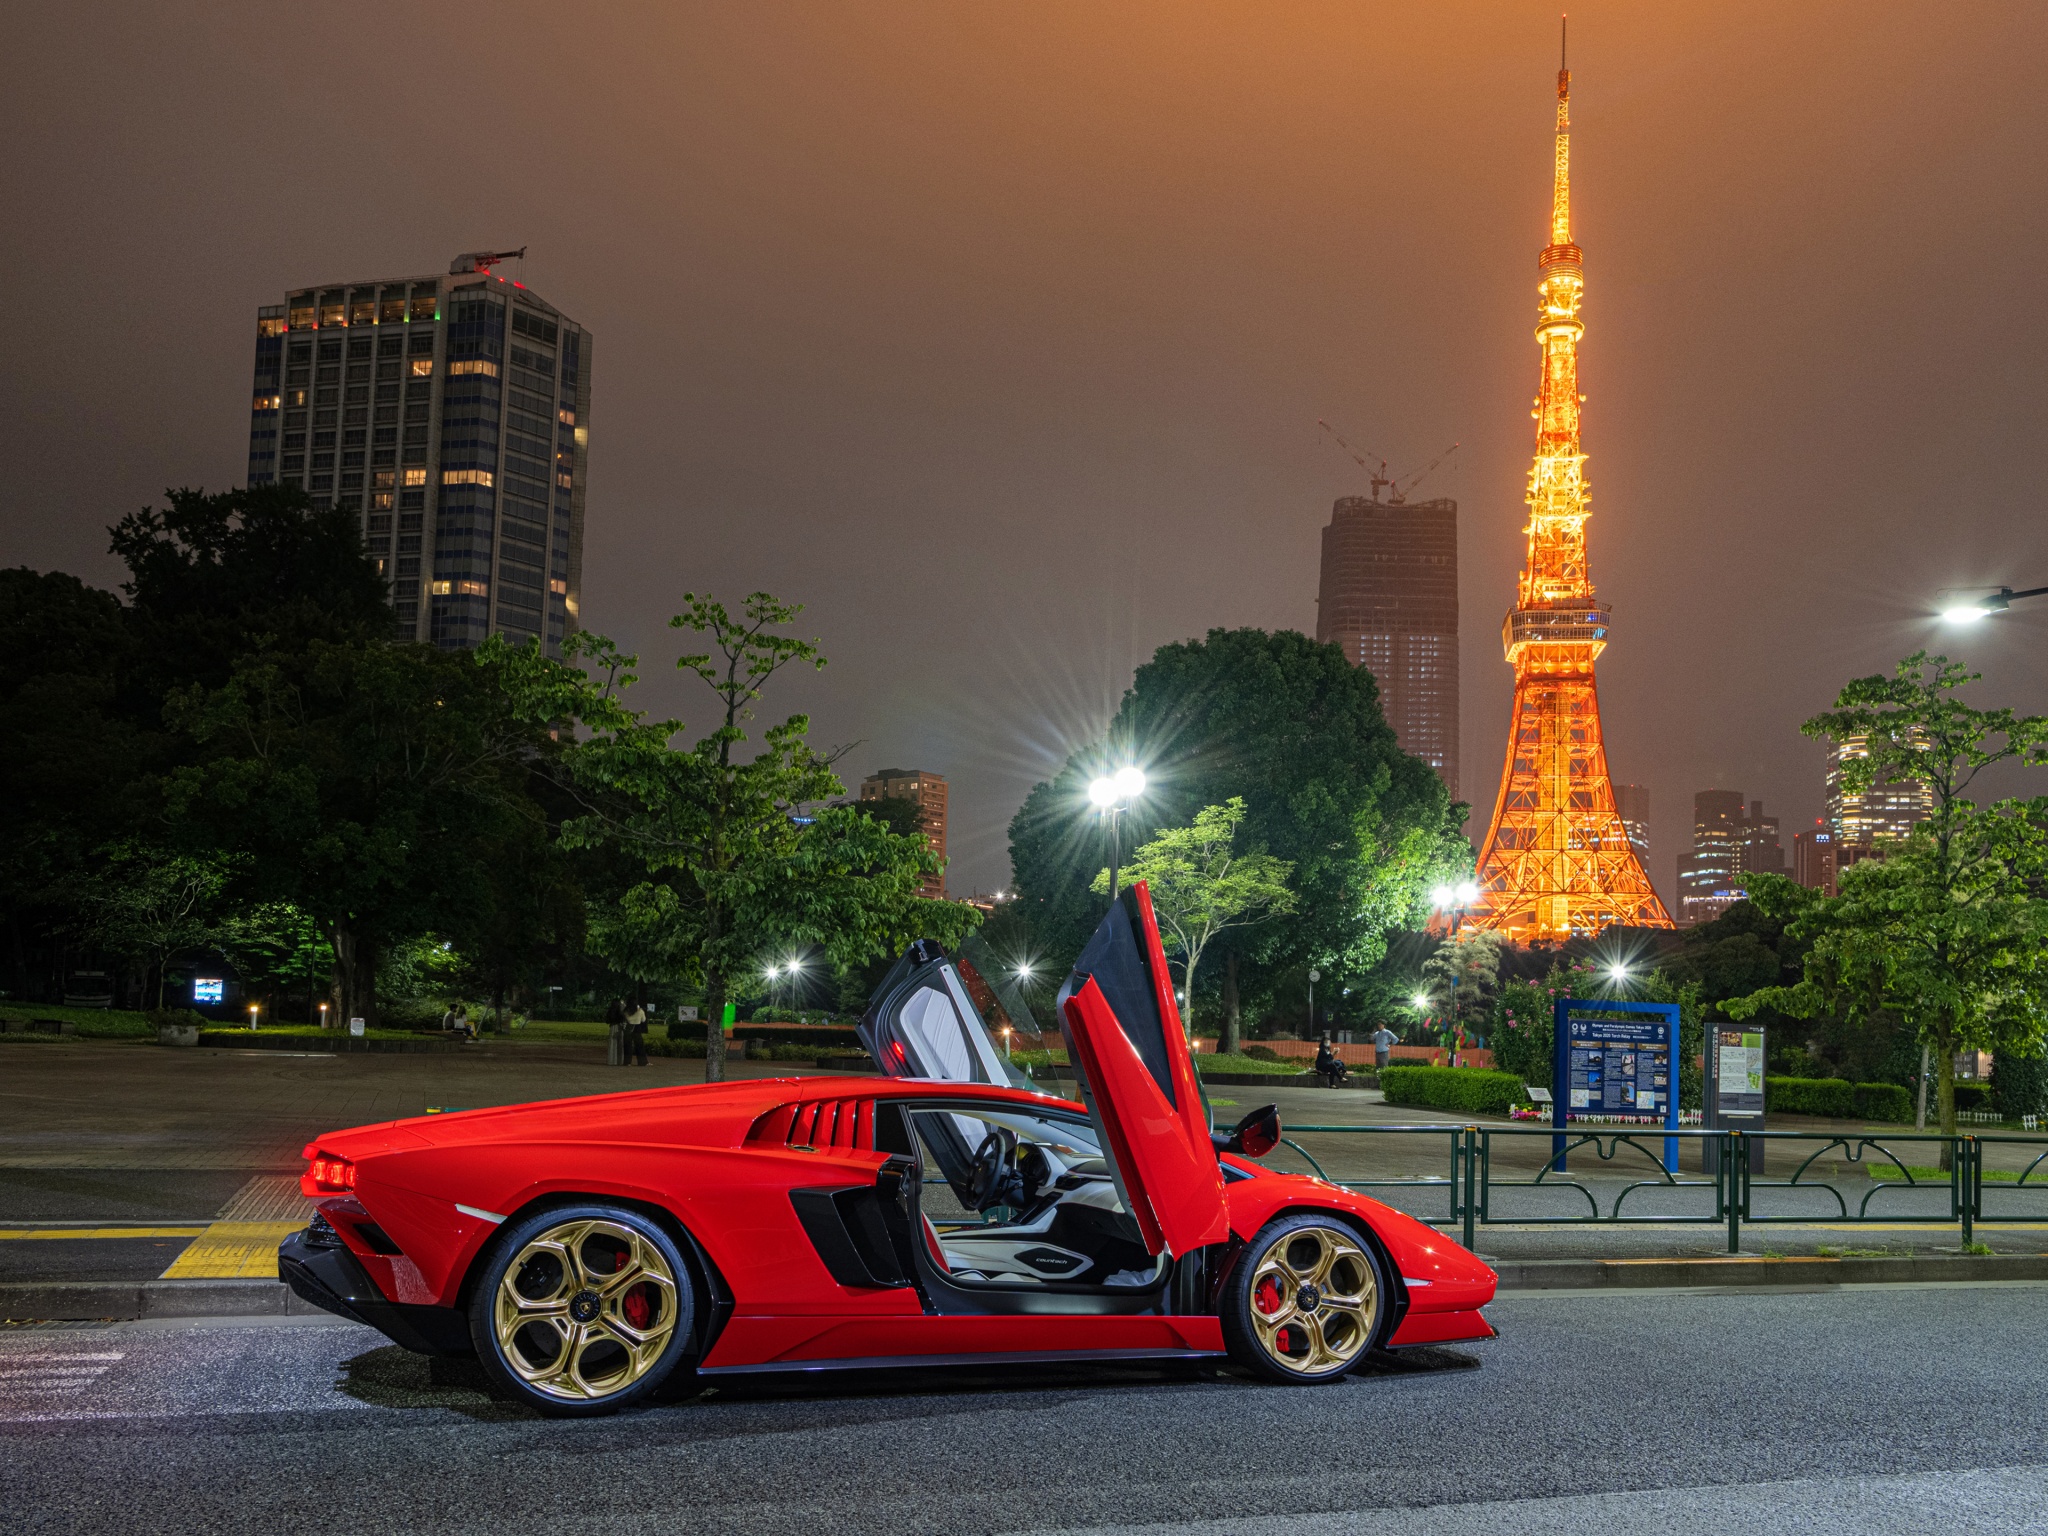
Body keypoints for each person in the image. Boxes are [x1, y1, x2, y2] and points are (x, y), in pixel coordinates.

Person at [624, 1001, 649, 1068]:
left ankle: (627, 1062)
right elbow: (643, 1020)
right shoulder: (640, 1011)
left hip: (629, 1028)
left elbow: (628, 1020)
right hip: (637, 1028)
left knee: (627, 1046)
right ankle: (642, 1062)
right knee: (639, 1046)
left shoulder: (626, 1011)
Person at [605, 998, 627, 1067]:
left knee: (612, 1044)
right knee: (620, 1044)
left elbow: (607, 1020)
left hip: (612, 1027)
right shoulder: (620, 1011)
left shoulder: (611, 1010)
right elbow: (624, 1018)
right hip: (619, 1027)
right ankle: (620, 1061)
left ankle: (611, 1061)